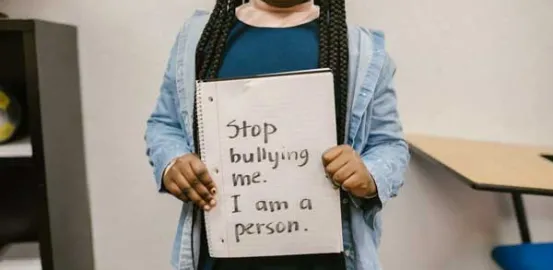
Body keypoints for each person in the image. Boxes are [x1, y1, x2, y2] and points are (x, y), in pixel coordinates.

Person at [145, 0, 410, 269]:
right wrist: (172, 162)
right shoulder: (198, 40)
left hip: (326, 261)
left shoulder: (362, 52)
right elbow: (164, 124)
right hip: (220, 258)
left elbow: (389, 144)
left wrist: (369, 174)